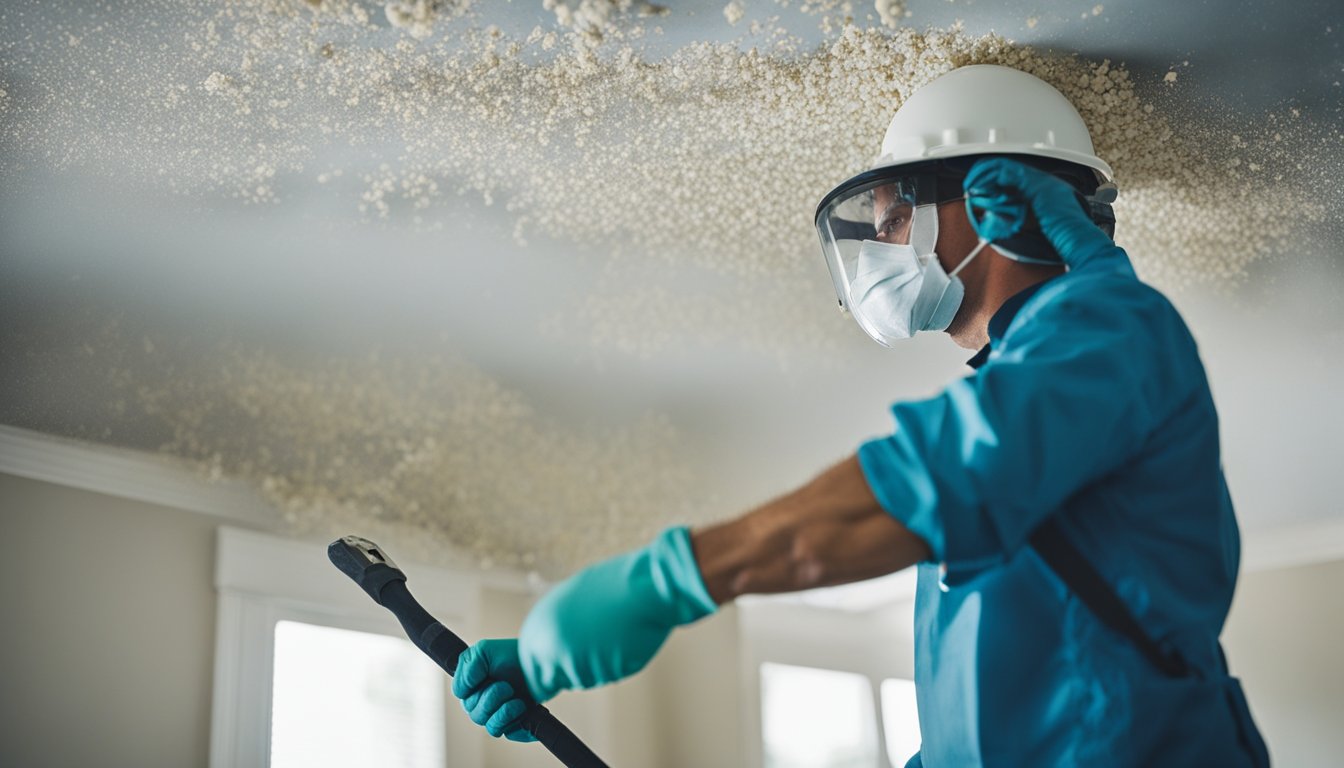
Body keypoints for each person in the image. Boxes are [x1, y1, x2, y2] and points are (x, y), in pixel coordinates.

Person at [450, 65, 1271, 766]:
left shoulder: (1107, 329)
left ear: (989, 203)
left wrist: (668, 582)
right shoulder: (1031, 381)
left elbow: (926, 481)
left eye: (892, 218)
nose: (879, 249)